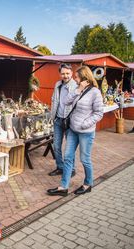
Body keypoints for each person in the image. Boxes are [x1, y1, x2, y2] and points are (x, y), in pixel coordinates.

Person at [47, 66, 104, 196]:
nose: (75, 79)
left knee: (85, 159)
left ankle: (88, 183)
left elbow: (99, 113)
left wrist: (84, 124)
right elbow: (67, 101)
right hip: (72, 130)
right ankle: (64, 187)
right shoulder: (78, 89)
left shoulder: (95, 92)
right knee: (67, 157)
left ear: (84, 78)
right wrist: (78, 89)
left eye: (77, 77)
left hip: (86, 132)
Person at [49, 63, 77, 177]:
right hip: (58, 120)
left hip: (69, 121)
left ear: (72, 73)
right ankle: (60, 167)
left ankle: (72, 169)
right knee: (56, 146)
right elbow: (54, 100)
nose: (65, 76)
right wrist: (52, 116)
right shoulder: (57, 85)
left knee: (69, 147)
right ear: (60, 74)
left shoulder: (75, 86)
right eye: (63, 73)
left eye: (67, 73)